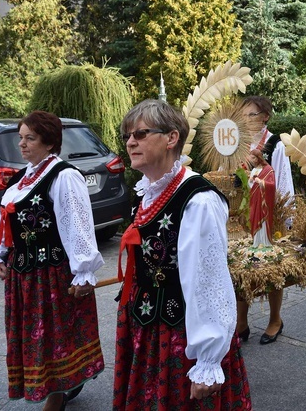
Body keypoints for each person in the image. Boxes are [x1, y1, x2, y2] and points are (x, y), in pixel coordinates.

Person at [113, 99, 250, 410]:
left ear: (171, 138)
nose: (131, 141)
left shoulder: (198, 200)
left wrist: (208, 358)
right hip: (147, 325)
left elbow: (210, 282)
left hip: (179, 332)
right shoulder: (149, 189)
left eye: (141, 133)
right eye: (127, 136)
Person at [0, 111, 105, 411]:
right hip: (23, 276)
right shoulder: (21, 180)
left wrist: (84, 271)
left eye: (30, 138)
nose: (22, 144)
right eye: (21, 138)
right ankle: (59, 386)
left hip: (52, 275)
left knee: (55, 337)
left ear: (50, 142)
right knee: (36, 339)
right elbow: (4, 222)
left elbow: (77, 227)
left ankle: (57, 393)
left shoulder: (63, 176)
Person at [236, 96, 295, 345]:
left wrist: (285, 216)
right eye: (243, 115)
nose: (246, 120)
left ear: (265, 117)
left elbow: (282, 180)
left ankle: (275, 319)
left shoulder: (275, 144)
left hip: (269, 214)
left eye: (251, 115)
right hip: (241, 215)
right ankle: (241, 321)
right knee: (241, 265)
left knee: (271, 266)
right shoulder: (236, 145)